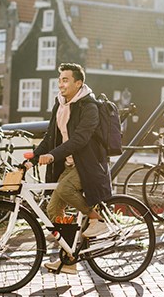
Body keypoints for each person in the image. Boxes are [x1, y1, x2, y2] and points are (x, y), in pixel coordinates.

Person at [26, 63, 113, 275]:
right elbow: (50, 137)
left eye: (65, 80)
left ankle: (96, 219)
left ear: (78, 83)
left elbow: (80, 140)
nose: (61, 84)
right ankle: (69, 258)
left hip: (89, 165)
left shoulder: (88, 107)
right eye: (60, 80)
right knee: (53, 210)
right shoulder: (60, 105)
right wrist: (35, 156)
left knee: (65, 189)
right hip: (69, 164)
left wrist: (53, 155)